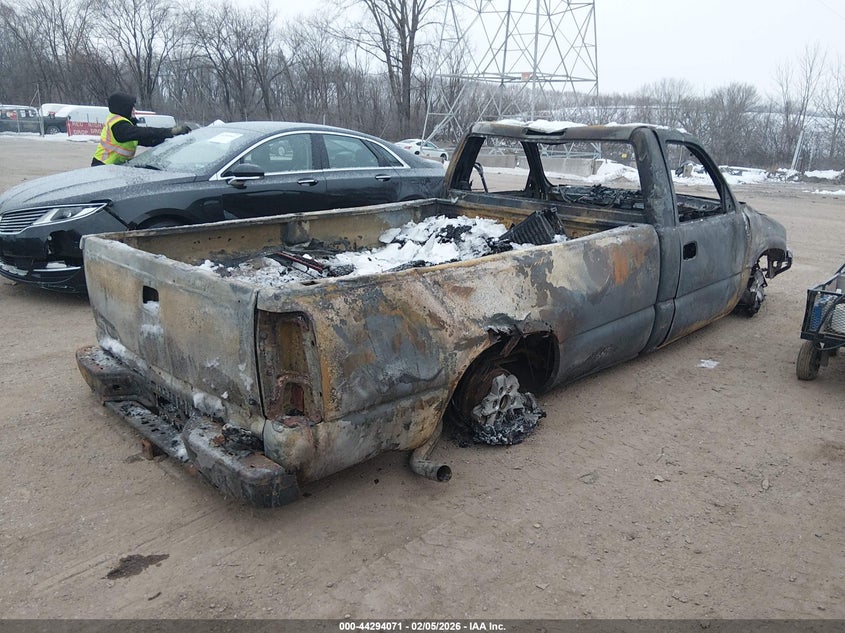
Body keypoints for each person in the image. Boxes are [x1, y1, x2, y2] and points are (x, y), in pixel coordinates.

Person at [91, 92, 191, 166]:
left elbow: (146, 140)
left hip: (114, 166)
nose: (134, 110)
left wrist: (171, 140)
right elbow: (143, 132)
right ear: (124, 108)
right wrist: (171, 131)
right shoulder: (118, 125)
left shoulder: (125, 124)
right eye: (132, 107)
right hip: (103, 166)